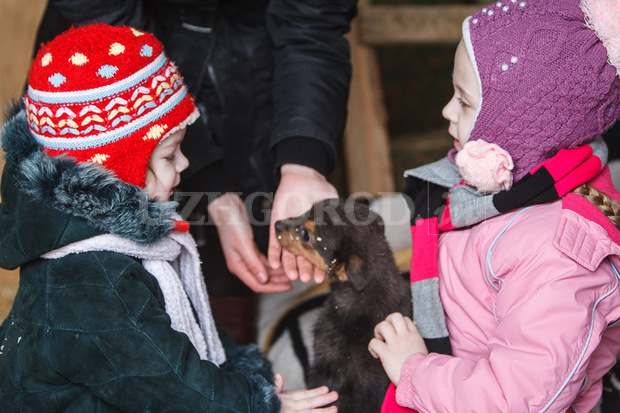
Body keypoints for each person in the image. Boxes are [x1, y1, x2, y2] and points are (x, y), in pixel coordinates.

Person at [0, 23, 339, 412]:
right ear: (118, 168)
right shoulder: (91, 279)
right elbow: (172, 389)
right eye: (168, 154)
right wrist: (259, 404)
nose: (185, 163)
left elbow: (180, 329)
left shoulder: (107, 245)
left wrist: (242, 376)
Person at [31, 0, 358, 345]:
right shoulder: (91, 271)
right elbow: (108, 29)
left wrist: (302, 163)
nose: (185, 163)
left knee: (245, 229)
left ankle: (226, 342)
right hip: (115, 80)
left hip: (251, 63)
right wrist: (212, 187)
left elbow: (312, 26)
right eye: (175, 156)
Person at [367, 1, 620, 412]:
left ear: (523, 128)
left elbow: (515, 400)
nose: (447, 111)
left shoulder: (557, 255)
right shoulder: (497, 196)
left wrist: (413, 369)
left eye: (464, 102)